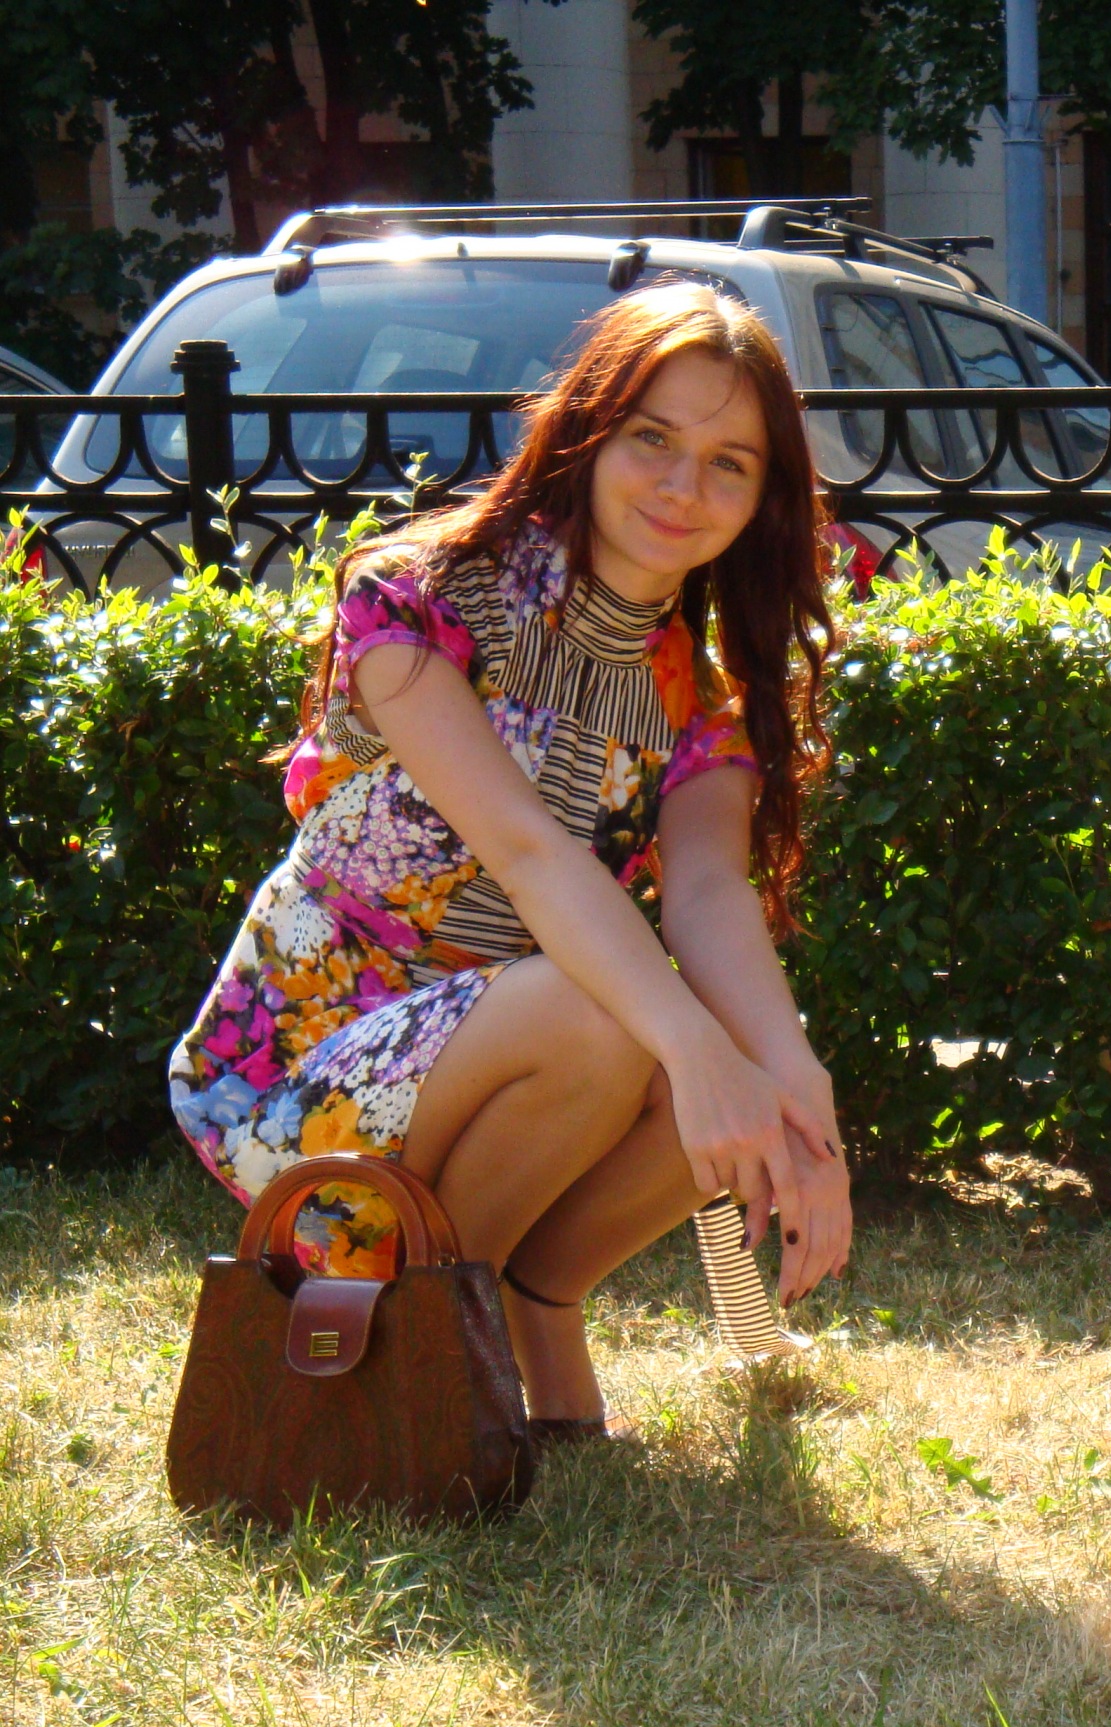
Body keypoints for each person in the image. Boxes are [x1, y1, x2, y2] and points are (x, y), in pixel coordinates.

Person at [167, 282, 852, 1445]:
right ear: (586, 434)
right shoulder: (420, 601)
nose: (683, 488)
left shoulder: (695, 695)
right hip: (296, 1084)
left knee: (727, 1049)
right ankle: (420, 1347)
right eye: (652, 440)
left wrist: (796, 1091)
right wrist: (695, 1051)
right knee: (616, 1022)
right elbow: (528, 852)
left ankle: (537, 1297)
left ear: (764, 500)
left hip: (507, 1048)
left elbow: (706, 892)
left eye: (729, 463)